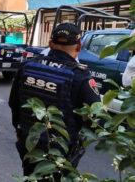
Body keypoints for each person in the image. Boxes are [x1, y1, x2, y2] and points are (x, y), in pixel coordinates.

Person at [9, 23, 100, 177]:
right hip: (60, 151)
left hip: (29, 141)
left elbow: (14, 103)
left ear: (50, 44)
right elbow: (96, 119)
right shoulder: (80, 76)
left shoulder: (27, 66)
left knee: (30, 176)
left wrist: (20, 130)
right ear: (78, 46)